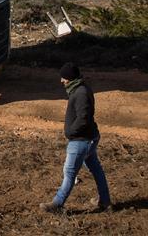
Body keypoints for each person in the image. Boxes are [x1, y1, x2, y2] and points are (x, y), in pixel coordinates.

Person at [40, 62, 111, 213]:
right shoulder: (80, 89)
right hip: (89, 138)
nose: (61, 81)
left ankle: (57, 204)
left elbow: (83, 118)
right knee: (96, 170)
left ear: (70, 78)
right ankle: (105, 201)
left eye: (63, 78)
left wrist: (70, 132)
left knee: (69, 173)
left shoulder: (80, 93)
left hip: (80, 140)